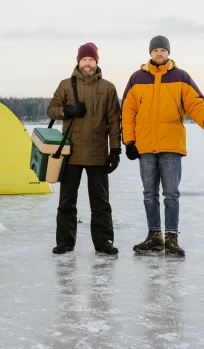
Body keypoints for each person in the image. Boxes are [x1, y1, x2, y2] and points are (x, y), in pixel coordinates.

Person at [121, 35, 204, 256]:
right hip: (145, 145)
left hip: (171, 144)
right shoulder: (137, 78)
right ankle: (154, 236)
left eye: (163, 50)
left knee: (171, 193)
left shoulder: (181, 76)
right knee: (149, 193)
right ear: (150, 53)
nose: (159, 53)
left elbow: (194, 102)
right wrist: (129, 141)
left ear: (168, 53)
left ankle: (171, 238)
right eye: (155, 49)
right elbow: (127, 112)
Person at [47, 42, 122, 256]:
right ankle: (64, 242)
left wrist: (115, 151)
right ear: (78, 61)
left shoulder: (108, 88)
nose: (87, 63)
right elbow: (51, 109)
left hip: (98, 153)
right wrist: (68, 110)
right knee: (67, 200)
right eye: (84, 59)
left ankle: (104, 242)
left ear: (96, 62)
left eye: (91, 59)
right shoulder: (65, 85)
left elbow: (114, 121)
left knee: (100, 202)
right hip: (70, 152)